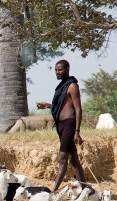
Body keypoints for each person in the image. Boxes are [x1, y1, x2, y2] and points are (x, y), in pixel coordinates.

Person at [36, 59, 86, 192]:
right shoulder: (62, 86)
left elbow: (78, 109)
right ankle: (85, 189)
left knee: (62, 158)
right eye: (56, 70)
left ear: (67, 69)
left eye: (60, 70)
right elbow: (61, 107)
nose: (57, 72)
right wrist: (48, 105)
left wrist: (77, 131)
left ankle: (53, 191)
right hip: (61, 125)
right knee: (73, 159)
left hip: (70, 124)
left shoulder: (72, 86)